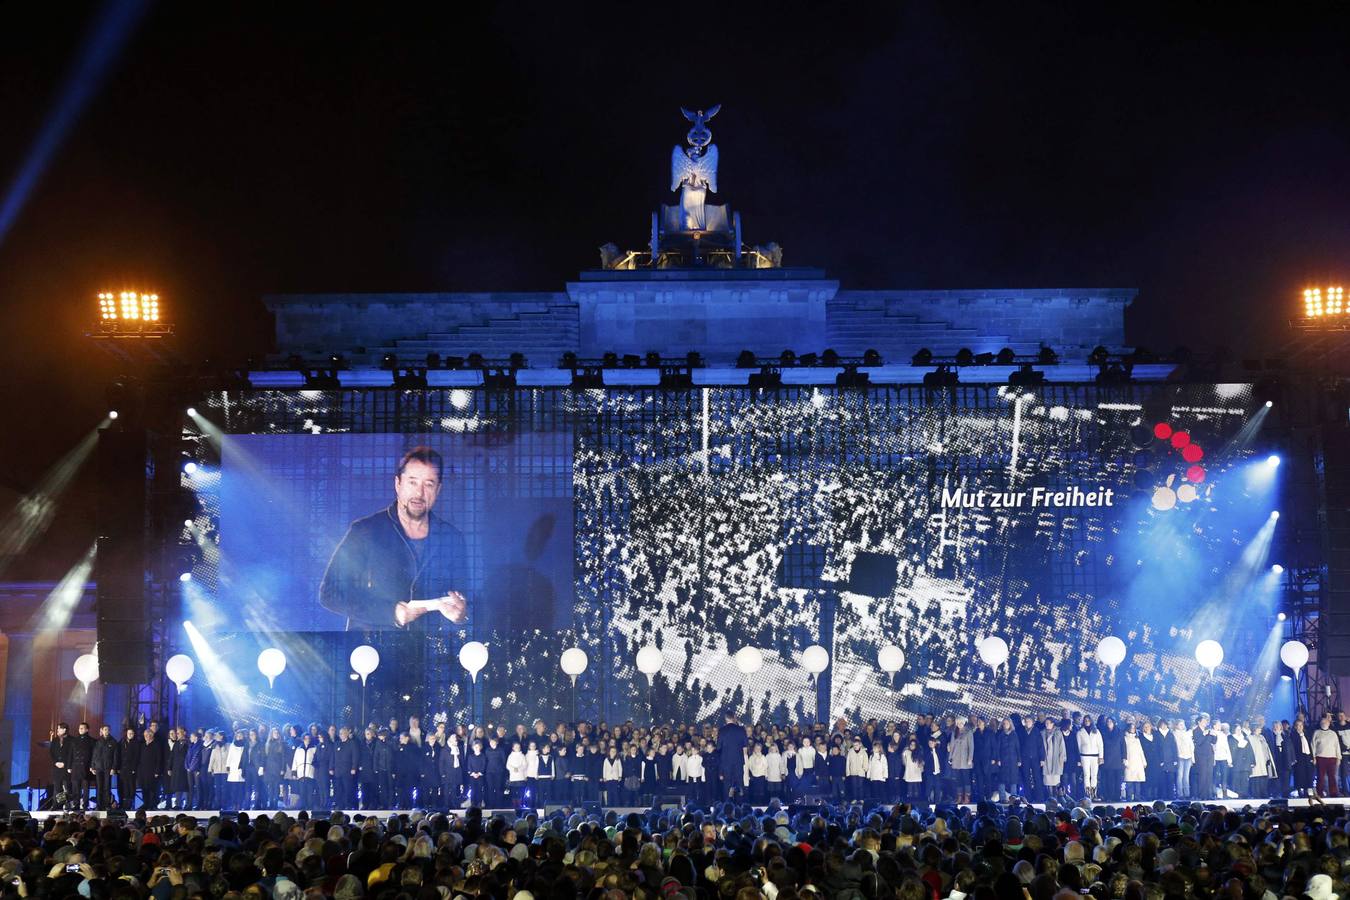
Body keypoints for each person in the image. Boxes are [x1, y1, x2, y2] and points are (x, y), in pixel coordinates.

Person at [319, 446, 470, 630]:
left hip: (428, 650)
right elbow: (331, 592)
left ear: (438, 490)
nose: (419, 493)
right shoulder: (366, 530)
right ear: (398, 484)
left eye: (428, 484)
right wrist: (391, 612)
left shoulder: (452, 538)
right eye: (412, 482)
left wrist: (462, 615)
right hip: (373, 648)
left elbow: (468, 598)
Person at [716, 712, 748, 801]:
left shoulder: (722, 731)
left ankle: (727, 805)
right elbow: (745, 746)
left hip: (726, 762)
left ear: (726, 718)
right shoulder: (741, 730)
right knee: (739, 784)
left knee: (727, 785)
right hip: (738, 761)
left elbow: (718, 747)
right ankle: (741, 806)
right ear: (734, 717)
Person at [1312, 712, 1341, 797]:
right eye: (1322, 722)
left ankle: (1333, 793)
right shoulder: (1316, 733)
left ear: (1329, 723)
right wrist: (1313, 757)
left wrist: (1339, 757)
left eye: (1325, 722)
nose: (1323, 724)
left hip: (1332, 758)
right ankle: (1319, 793)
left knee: (1332, 777)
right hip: (1320, 757)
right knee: (1320, 777)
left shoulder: (1333, 733)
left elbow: (1337, 746)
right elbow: (1313, 745)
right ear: (1320, 724)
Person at [90, 724, 118, 810]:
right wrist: (92, 766)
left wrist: (113, 768)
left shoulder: (113, 742)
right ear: (102, 731)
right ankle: (99, 805)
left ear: (109, 731)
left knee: (107, 787)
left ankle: (107, 805)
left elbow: (115, 756)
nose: (106, 731)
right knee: (99, 787)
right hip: (98, 767)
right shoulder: (98, 741)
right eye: (104, 730)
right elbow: (94, 755)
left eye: (107, 730)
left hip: (108, 768)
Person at [69, 723, 95, 810]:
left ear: (87, 730)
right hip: (76, 766)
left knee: (85, 787)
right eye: (79, 728)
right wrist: (69, 766)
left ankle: (85, 805)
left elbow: (93, 756)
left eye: (82, 728)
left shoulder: (92, 741)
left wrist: (92, 766)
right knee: (75, 787)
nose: (80, 729)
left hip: (86, 767)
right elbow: (70, 754)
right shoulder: (74, 740)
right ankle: (76, 804)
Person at [1077, 715, 1103, 800]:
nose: (1087, 721)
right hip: (1084, 756)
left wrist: (1101, 757)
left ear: (1091, 721)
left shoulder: (1096, 731)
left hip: (1095, 756)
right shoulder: (1080, 732)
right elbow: (1078, 746)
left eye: (1088, 720)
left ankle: (1094, 794)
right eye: (1085, 720)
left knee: (1094, 775)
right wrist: (1079, 759)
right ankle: (1087, 794)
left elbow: (1100, 745)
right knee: (1086, 775)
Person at [332, 725, 358, 808]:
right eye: (339, 734)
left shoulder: (352, 743)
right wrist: (331, 768)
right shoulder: (337, 744)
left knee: (348, 788)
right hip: (338, 771)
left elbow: (355, 756)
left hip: (347, 770)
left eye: (342, 733)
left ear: (347, 733)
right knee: (339, 788)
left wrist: (354, 767)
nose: (340, 735)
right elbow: (333, 757)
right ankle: (340, 804)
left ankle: (348, 804)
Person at [1040, 717, 1065, 801]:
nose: (1046, 725)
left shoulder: (1058, 733)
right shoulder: (1042, 733)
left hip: (1055, 759)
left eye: (1048, 723)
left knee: (1055, 779)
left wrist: (1062, 758)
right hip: (1046, 759)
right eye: (1046, 723)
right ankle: (1050, 796)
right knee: (1047, 779)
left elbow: (1062, 746)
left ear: (1052, 724)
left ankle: (1055, 796)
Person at [48, 723, 72, 808]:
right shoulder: (55, 740)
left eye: (59, 729)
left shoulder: (71, 740)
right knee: (57, 788)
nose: (57, 730)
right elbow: (51, 753)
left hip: (66, 767)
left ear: (64, 729)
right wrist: (55, 762)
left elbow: (71, 754)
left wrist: (65, 763)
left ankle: (68, 804)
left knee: (67, 787)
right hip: (57, 768)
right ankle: (58, 805)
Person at [1192, 715, 1216, 799]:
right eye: (1204, 721)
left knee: (1209, 774)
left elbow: (1213, 741)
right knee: (1202, 775)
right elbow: (1198, 742)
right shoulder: (1196, 731)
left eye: (1206, 721)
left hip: (1209, 754)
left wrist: (1214, 735)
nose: (1206, 722)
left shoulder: (1208, 731)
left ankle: (1209, 794)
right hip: (1201, 755)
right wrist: (1204, 734)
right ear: (1199, 722)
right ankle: (1202, 795)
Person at [1122, 721, 1146, 801]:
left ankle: (1137, 797)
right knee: (1129, 781)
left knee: (1137, 780)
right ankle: (1129, 797)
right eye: (1131, 728)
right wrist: (1125, 761)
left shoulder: (1137, 739)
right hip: (1129, 761)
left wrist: (1144, 761)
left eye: (1134, 728)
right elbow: (1124, 750)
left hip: (1138, 762)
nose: (1133, 729)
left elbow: (1141, 751)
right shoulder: (1125, 738)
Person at [117, 726, 140, 809]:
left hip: (131, 769)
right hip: (122, 769)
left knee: (131, 786)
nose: (130, 735)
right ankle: (123, 804)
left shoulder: (136, 743)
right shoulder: (121, 742)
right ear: (126, 734)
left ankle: (131, 804)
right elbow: (118, 756)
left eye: (132, 733)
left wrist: (134, 768)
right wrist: (118, 768)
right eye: (129, 733)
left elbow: (137, 757)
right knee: (123, 786)